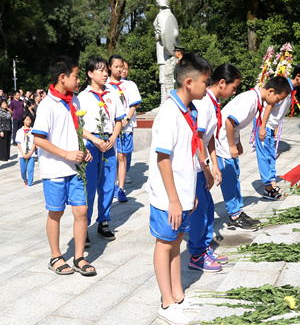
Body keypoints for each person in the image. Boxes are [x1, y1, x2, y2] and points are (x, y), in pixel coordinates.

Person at [149, 52, 211, 325]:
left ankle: (178, 296)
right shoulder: (170, 113)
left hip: (183, 193)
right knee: (165, 244)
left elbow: (188, 155)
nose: (207, 87)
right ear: (189, 82)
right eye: (205, 82)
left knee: (176, 244)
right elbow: (163, 159)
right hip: (167, 196)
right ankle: (166, 303)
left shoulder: (190, 110)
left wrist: (190, 193)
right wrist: (174, 200)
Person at [33, 55, 94, 277]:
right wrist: (66, 154)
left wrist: (83, 148)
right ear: (62, 77)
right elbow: (38, 139)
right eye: (76, 76)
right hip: (55, 169)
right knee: (56, 212)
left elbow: (76, 130)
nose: (78, 81)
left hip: (75, 169)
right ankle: (55, 256)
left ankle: (79, 257)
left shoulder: (74, 101)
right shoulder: (47, 105)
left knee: (81, 211)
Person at [215, 75, 291, 231]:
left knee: (234, 175)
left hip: (228, 140)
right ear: (271, 91)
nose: (276, 103)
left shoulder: (256, 99)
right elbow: (229, 121)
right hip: (222, 143)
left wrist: (238, 142)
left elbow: (236, 124)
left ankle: (237, 211)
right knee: (229, 178)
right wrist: (232, 145)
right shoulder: (250, 100)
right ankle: (234, 216)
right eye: (277, 99)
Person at [187, 63, 242, 272]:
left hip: (203, 164)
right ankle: (196, 254)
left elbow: (210, 139)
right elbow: (198, 138)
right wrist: (206, 168)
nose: (234, 92)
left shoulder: (213, 103)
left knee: (208, 207)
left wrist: (215, 165)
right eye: (234, 87)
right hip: (194, 165)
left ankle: (204, 247)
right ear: (222, 83)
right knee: (199, 210)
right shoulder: (203, 104)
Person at [78, 57, 125, 243]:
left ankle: (104, 221)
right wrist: (95, 140)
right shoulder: (82, 97)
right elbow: (78, 126)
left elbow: (119, 120)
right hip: (91, 144)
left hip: (109, 143)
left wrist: (112, 139)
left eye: (106, 70)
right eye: (100, 70)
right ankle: (84, 226)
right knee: (89, 186)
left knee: (107, 185)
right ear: (90, 73)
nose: (105, 74)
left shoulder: (112, 93)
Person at [257, 61, 300, 201]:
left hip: (270, 126)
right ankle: (268, 189)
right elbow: (269, 106)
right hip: (264, 125)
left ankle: (272, 184)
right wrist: (262, 127)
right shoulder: (284, 88)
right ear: (298, 76)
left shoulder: (290, 89)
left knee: (271, 155)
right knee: (265, 156)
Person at [107, 55, 141, 202]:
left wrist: (127, 118)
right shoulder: (105, 85)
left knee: (122, 156)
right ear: (109, 67)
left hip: (125, 126)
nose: (120, 69)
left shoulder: (129, 85)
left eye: (121, 66)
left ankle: (120, 188)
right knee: (111, 156)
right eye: (116, 67)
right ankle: (112, 184)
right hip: (110, 127)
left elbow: (134, 104)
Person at [15, 114, 37, 186]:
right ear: (23, 120)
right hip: (22, 154)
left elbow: (34, 142)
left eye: (30, 120)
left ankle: (30, 184)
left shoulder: (33, 131)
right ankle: (25, 179)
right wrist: (22, 153)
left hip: (31, 154)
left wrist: (30, 153)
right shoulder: (19, 131)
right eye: (27, 120)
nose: (29, 121)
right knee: (23, 171)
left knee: (30, 170)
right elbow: (18, 143)